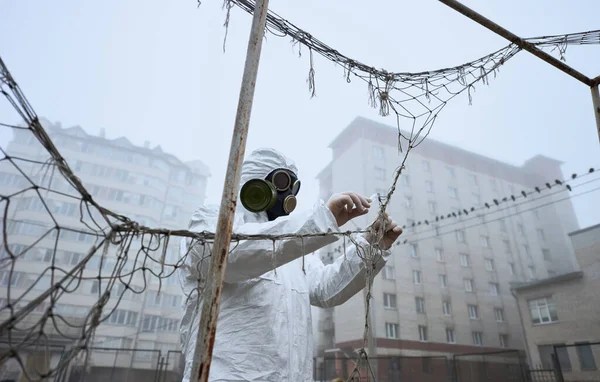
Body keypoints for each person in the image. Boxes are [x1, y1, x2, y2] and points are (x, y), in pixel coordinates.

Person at [178, 148, 403, 382]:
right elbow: (230, 256)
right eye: (280, 181)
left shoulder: (293, 247)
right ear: (253, 183)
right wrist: (321, 220)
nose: (286, 193)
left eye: (292, 186)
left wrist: (371, 246)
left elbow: (326, 289)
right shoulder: (211, 219)